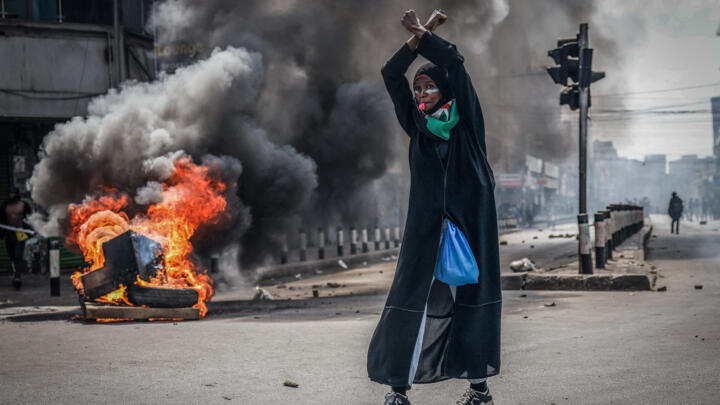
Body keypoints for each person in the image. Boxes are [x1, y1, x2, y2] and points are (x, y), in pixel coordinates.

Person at [367, 9, 500, 405]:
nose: (421, 95)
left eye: (428, 88)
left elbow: (454, 63)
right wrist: (412, 43)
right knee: (411, 301)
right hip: (426, 228)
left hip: (470, 226)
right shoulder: (418, 128)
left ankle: (479, 389)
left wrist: (426, 34)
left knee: (470, 303)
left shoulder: (468, 125)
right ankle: (397, 390)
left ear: (445, 91)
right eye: (418, 89)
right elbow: (391, 75)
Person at [0, 188, 33, 289]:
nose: (11, 196)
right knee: (11, 255)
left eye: (13, 194)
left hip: (20, 232)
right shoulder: (5, 206)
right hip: (9, 233)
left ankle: (17, 276)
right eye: (10, 194)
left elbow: (30, 218)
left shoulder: (23, 205)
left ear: (17, 195)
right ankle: (15, 272)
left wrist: (29, 230)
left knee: (18, 254)